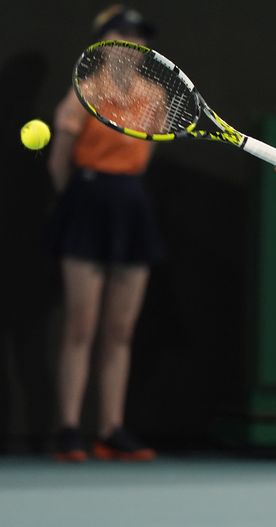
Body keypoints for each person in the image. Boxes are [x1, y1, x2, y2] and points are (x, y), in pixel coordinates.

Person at [47, 4, 162, 462]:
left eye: (140, 38)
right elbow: (60, 161)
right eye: (124, 36)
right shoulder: (83, 93)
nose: (135, 45)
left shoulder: (154, 95)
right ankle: (70, 429)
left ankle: (111, 429)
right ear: (103, 44)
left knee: (120, 331)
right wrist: (75, 201)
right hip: (86, 203)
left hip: (131, 206)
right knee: (80, 327)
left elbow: (145, 157)